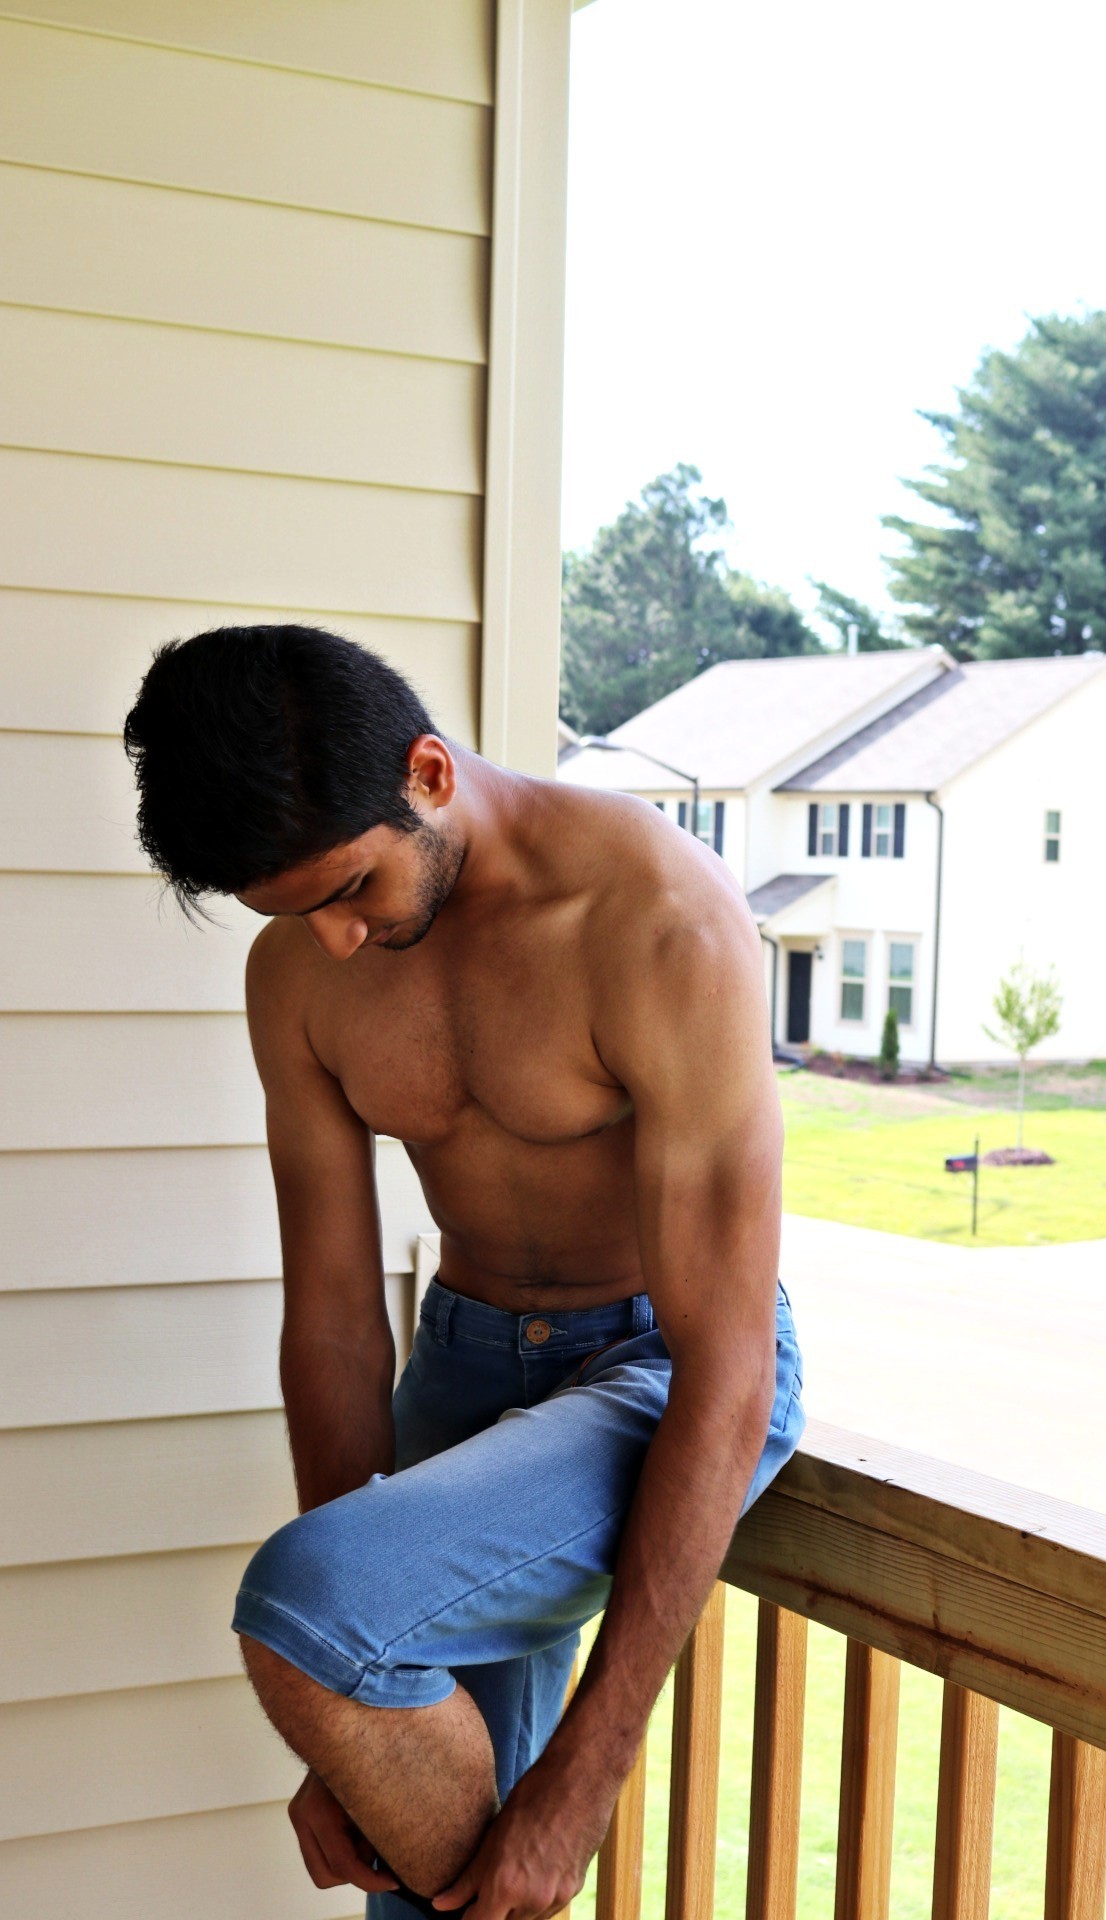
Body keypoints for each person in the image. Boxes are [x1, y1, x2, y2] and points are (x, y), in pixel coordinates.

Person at [123, 624, 804, 1920]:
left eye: (351, 889)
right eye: (290, 911)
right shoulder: (301, 974)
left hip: (656, 1365)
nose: (332, 940)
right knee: (410, 1873)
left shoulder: (661, 925)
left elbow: (729, 1362)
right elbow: (334, 1317)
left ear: (428, 774)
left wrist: (583, 1781)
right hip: (464, 1358)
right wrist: (344, 1711)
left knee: (303, 1605)